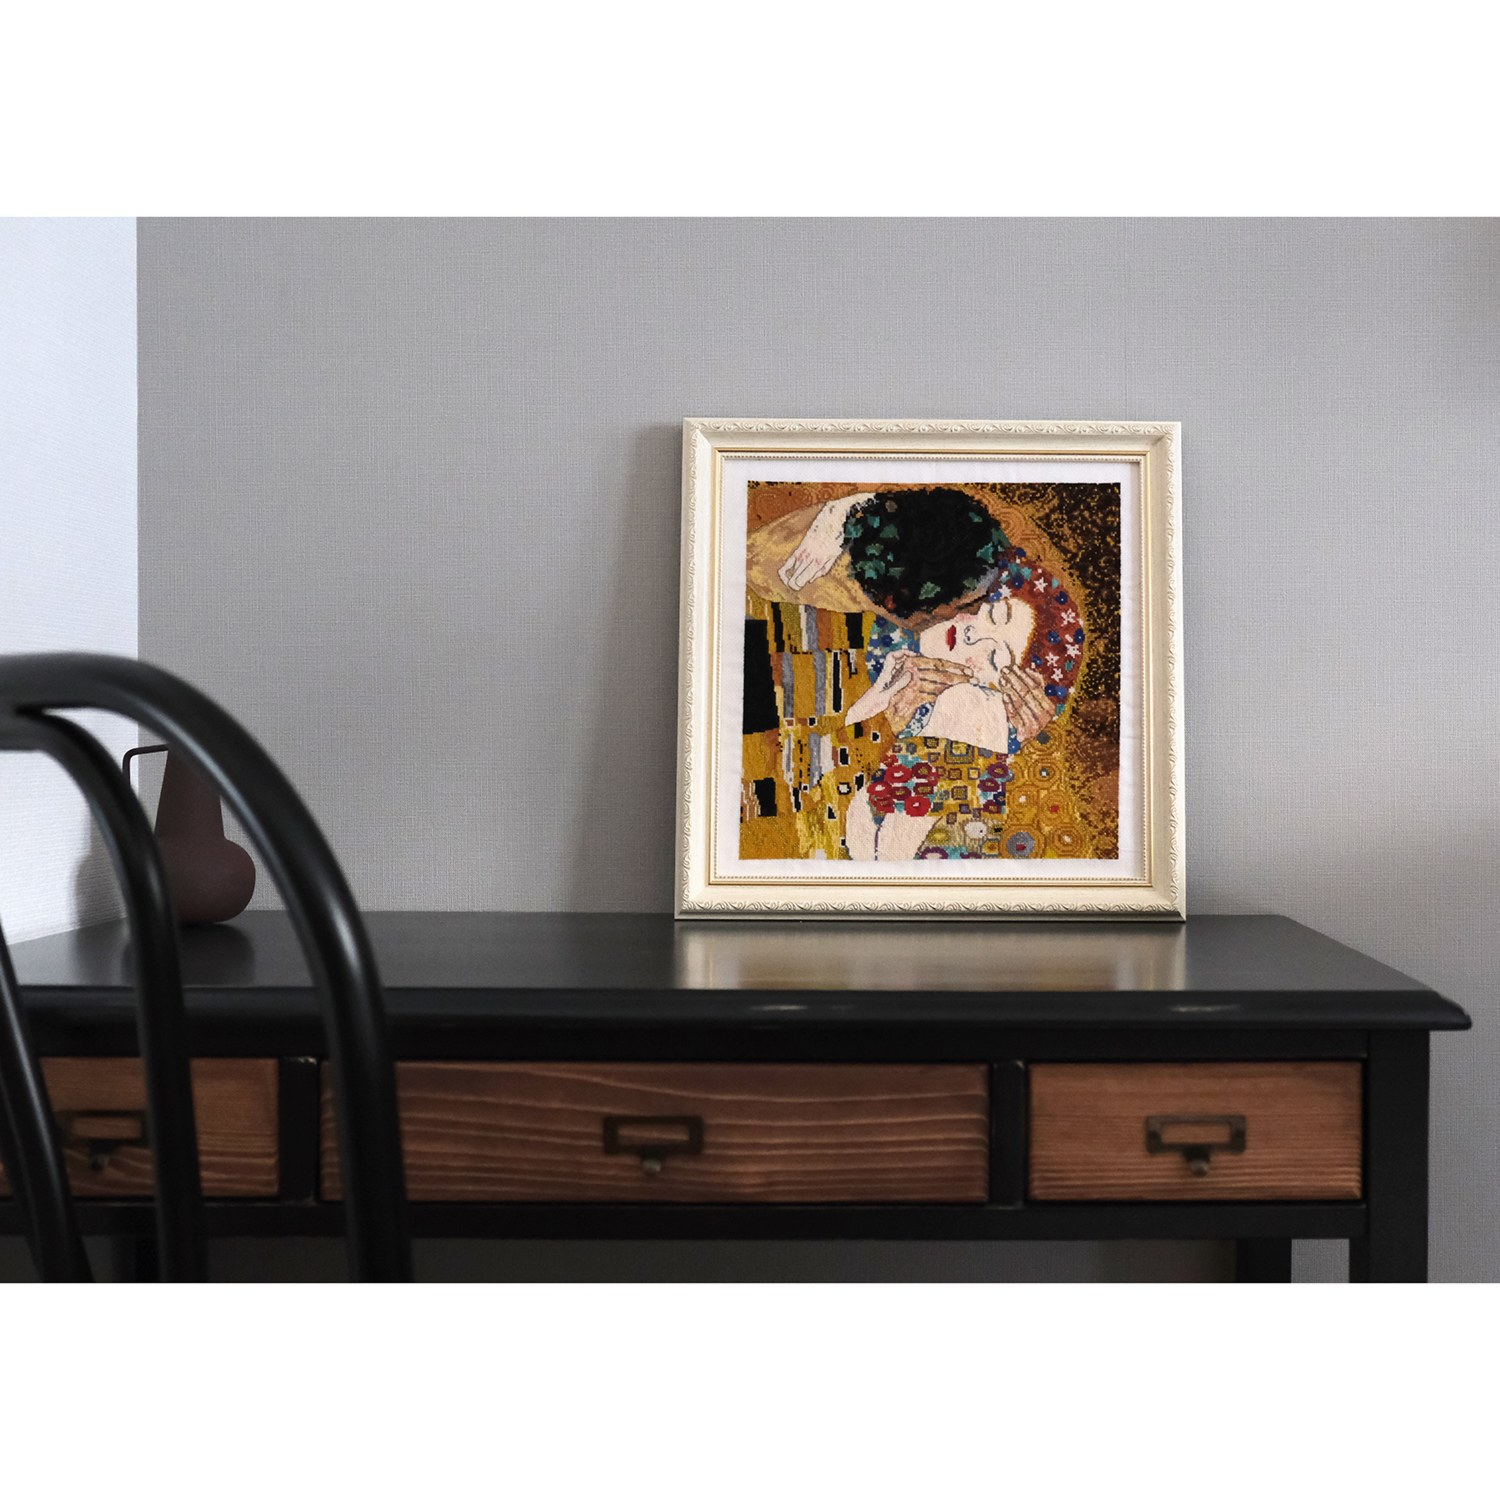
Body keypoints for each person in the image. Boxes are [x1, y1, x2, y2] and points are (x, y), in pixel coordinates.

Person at [841, 547, 1085, 861]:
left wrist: (1018, 753)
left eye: (995, 658)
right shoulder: (858, 636)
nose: (974, 635)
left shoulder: (971, 719)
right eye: (991, 614)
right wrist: (877, 703)